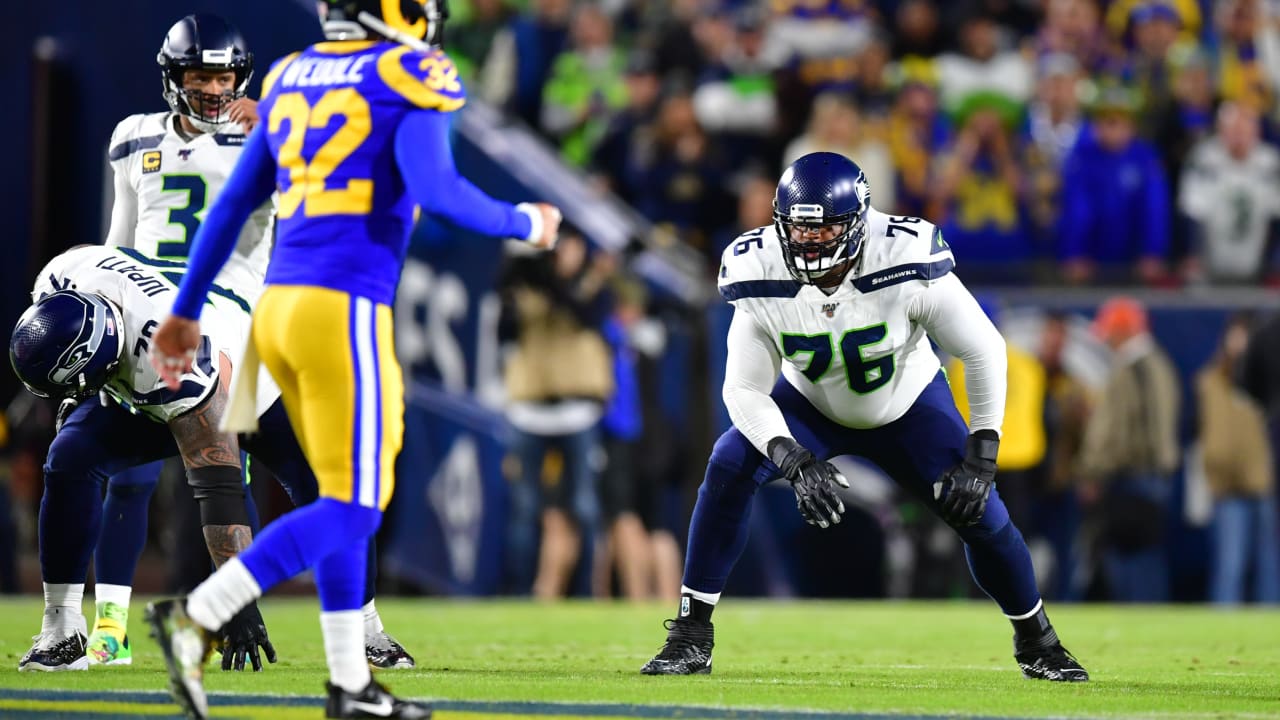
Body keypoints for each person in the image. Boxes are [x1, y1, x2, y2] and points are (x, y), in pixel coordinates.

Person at [145, 1, 560, 717]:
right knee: (354, 507)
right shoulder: (412, 70)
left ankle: (350, 682)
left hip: (277, 311)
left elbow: (239, 198)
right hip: (344, 310)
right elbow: (438, 190)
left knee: (339, 490)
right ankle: (200, 615)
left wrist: (185, 309)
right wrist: (526, 220)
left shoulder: (292, 72)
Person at [639, 152, 1087, 682]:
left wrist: (984, 452)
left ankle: (1038, 641)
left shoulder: (905, 255)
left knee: (980, 513)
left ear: (857, 221)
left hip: (908, 401)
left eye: (825, 228)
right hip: (811, 402)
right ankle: (691, 636)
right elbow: (742, 387)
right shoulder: (755, 266)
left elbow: (984, 348)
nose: (810, 242)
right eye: (799, 230)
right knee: (729, 460)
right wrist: (794, 460)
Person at [87, 13, 412, 671]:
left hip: (251, 336)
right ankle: (107, 629)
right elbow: (116, 243)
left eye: (224, 75)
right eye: (200, 74)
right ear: (174, 76)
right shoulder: (134, 139)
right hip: (160, 327)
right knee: (131, 479)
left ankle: (365, 623)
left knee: (328, 480)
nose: (213, 88)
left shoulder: (271, 135)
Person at [9, 247, 269, 673]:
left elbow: (218, 484)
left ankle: (360, 625)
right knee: (69, 457)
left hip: (227, 365)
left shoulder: (177, 362)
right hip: (134, 355)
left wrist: (236, 595)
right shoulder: (59, 277)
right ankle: (64, 627)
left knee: (274, 480)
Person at [1077, 297, 1180, 602]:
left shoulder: (1132, 370)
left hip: (1132, 473)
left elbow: (1117, 429)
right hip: (1151, 473)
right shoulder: (1157, 365)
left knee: (1130, 557)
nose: (1106, 339)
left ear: (1123, 331)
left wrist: (1093, 469)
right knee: (1145, 554)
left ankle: (1140, 622)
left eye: (1110, 331)